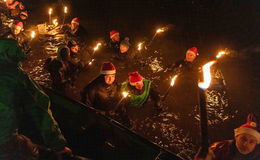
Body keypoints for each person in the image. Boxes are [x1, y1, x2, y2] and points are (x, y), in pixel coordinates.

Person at [0, 38, 72, 159]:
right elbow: (39, 108)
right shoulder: (17, 76)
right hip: (4, 139)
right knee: (31, 152)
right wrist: (58, 145)